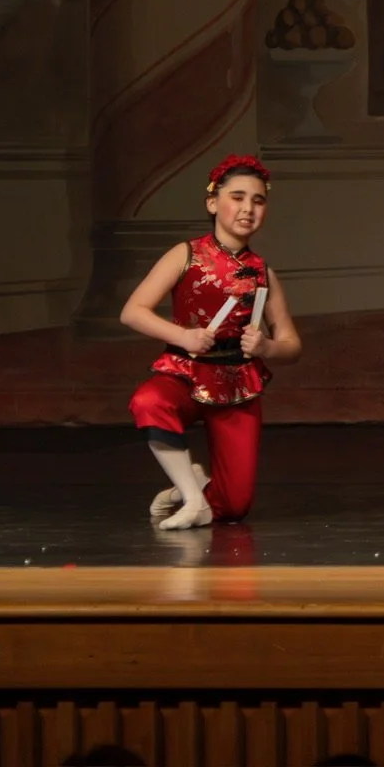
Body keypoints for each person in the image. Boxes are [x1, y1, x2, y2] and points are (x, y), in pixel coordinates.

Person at [122, 156, 302, 530]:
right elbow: (133, 312)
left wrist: (266, 348)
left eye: (258, 200)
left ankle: (193, 483)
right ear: (212, 203)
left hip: (237, 382)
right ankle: (193, 498)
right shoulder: (185, 254)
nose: (248, 208)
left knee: (234, 507)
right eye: (237, 197)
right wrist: (182, 336)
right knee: (149, 401)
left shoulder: (263, 273)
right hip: (185, 373)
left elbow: (291, 344)